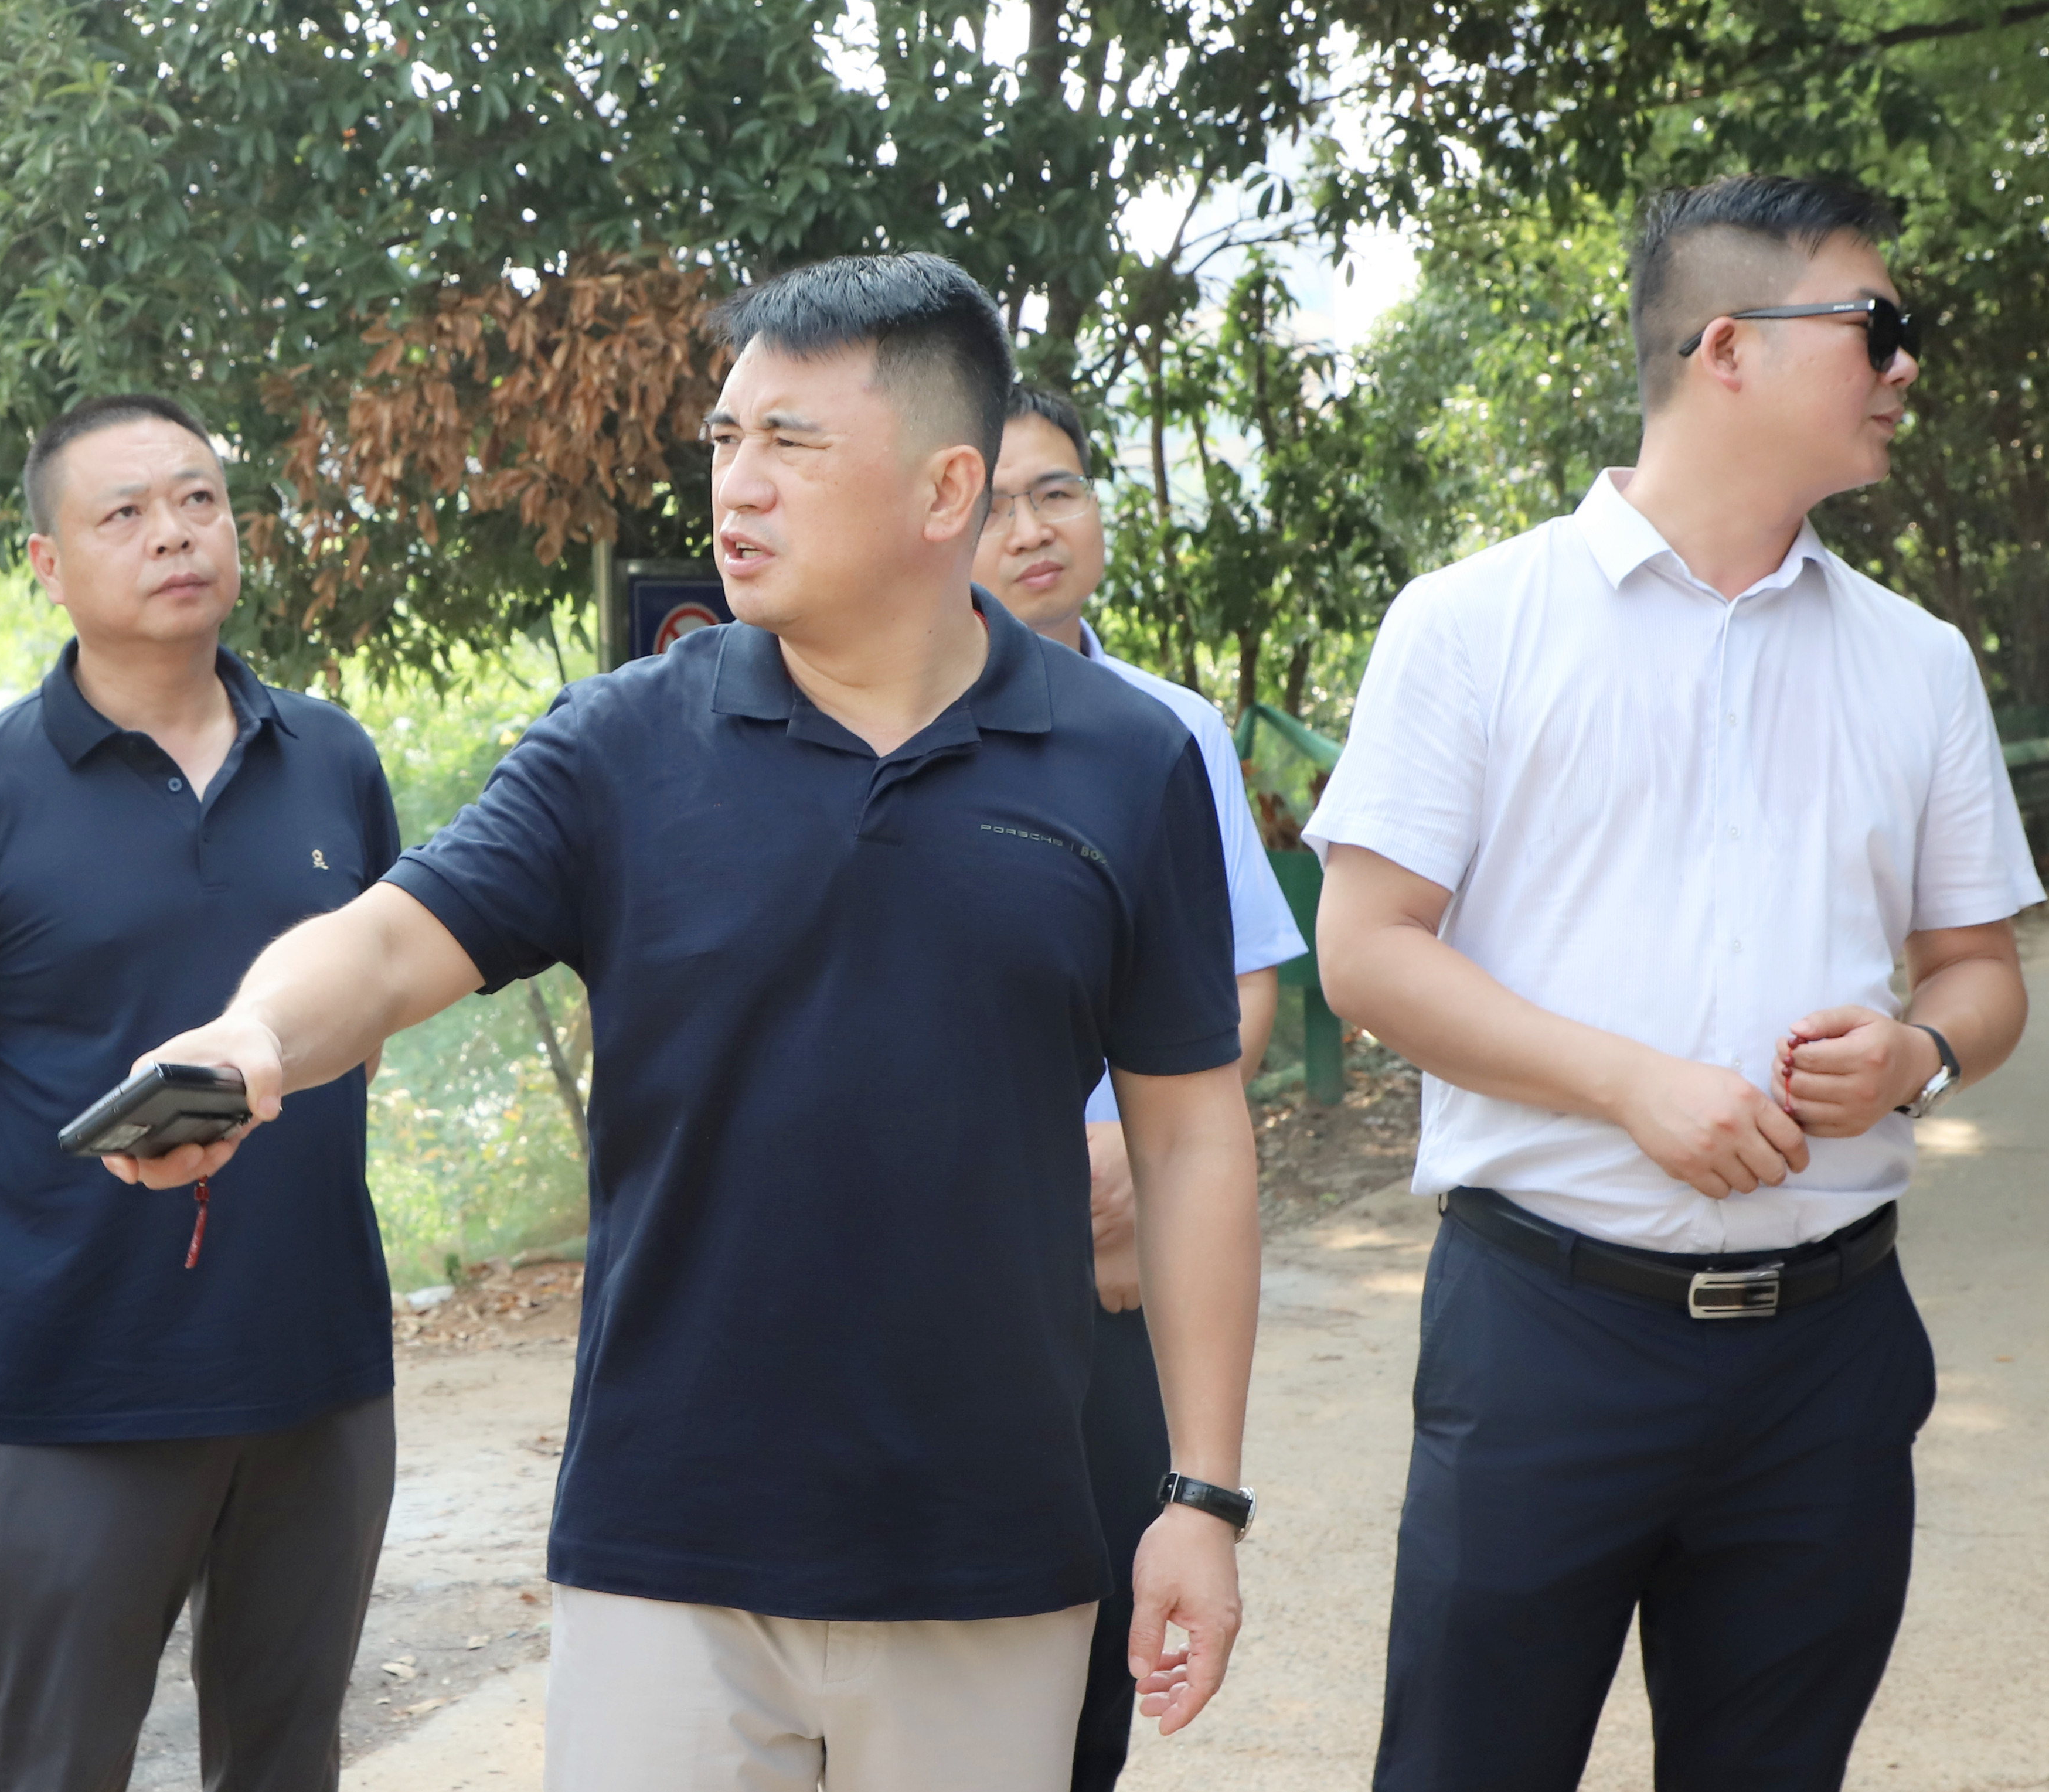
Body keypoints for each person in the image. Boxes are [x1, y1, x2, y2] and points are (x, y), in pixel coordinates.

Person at [104, 253, 1261, 1791]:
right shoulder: (623, 745)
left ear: (944, 490)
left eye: (790, 442)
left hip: (991, 1544)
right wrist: (253, 1040)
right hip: (666, 1550)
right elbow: (384, 944)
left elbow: (1188, 1140)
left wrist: (1201, 1495)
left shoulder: (1125, 760)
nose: (737, 484)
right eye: (724, 440)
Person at [1308, 174, 2038, 1791]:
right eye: (1875, 326)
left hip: (1827, 1351)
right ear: (1725, 346)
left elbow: (1979, 970)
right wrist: (1626, 1084)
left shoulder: (1915, 661)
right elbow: (1365, 949)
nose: (1903, 364)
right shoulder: (1470, 624)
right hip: (1545, 1334)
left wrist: (1914, 1054)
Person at [0, 393, 400, 1792]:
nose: (175, 532)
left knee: (287, 1759)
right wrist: (41, 1239)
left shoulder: (332, 759)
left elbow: (365, 1014)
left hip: (316, 1363)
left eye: (199, 498)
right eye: (126, 512)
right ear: (48, 563)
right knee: (57, 1763)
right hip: (84, 1380)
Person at [971, 384, 1308, 1792]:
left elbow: (1241, 988)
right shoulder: (895, 719)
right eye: (994, 503)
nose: (1031, 529)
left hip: (1115, 1277)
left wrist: (1123, 1156)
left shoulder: (1168, 728)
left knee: (1095, 1637)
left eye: (1056, 491)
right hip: (951, 1274)